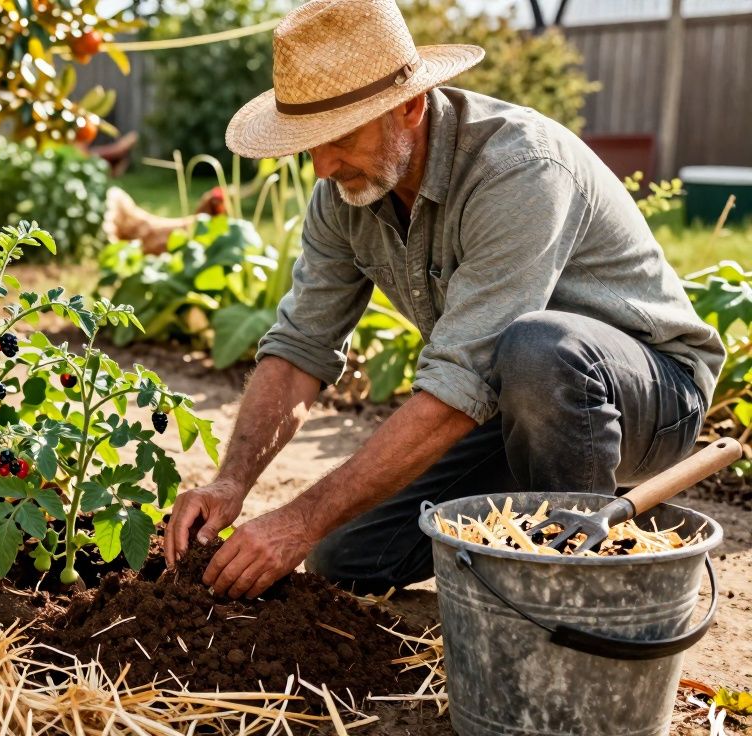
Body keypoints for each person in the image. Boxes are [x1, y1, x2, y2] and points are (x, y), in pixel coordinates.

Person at [163, 0, 724, 599]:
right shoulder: (345, 193)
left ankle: (575, 590)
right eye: (309, 144)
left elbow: (462, 379)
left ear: (408, 105)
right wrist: (231, 484)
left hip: (649, 396)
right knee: (344, 556)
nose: (322, 166)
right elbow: (301, 348)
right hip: (516, 402)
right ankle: (527, 534)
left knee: (541, 348)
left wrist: (297, 518)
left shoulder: (519, 169)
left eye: (340, 138)